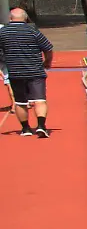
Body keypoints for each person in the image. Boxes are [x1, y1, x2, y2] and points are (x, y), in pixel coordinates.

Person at [0, 7, 55, 137]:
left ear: (10, 18)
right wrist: (47, 61)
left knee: (20, 102)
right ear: (25, 18)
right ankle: (41, 126)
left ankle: (26, 128)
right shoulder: (32, 30)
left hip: (15, 71)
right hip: (35, 70)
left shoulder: (3, 32)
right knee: (40, 100)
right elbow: (48, 47)